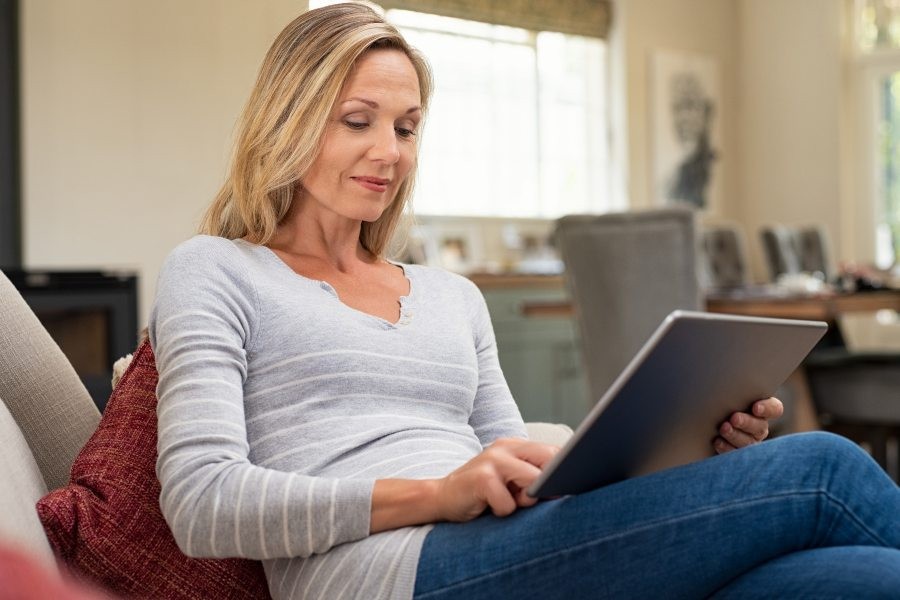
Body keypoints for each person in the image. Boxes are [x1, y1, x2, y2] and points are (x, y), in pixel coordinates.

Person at [149, 4, 900, 599]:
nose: (391, 151)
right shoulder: (216, 271)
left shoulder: (452, 296)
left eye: (407, 128)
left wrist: (693, 452)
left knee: (861, 581)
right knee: (823, 469)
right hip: (390, 574)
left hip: (507, 551)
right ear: (289, 116)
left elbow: (529, 472)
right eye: (358, 121)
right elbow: (203, 503)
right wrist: (436, 494)